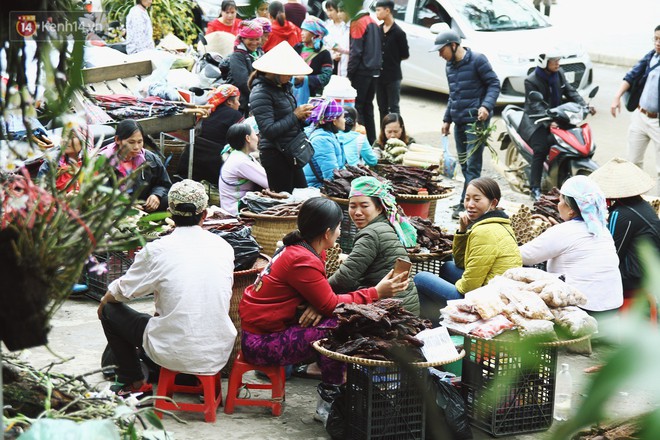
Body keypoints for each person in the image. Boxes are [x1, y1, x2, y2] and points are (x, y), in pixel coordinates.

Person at [238, 197, 409, 421]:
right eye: (339, 227)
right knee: (337, 329)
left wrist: (321, 305)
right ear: (327, 232)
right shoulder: (302, 259)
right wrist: (376, 292)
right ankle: (328, 402)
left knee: (335, 320)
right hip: (261, 343)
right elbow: (330, 305)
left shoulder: (300, 249)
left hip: (266, 331)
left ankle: (327, 379)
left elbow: (323, 300)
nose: (340, 232)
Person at [97, 179, 236, 397]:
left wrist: (105, 300)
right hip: (218, 350)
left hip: (173, 350)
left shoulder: (158, 250)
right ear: (204, 214)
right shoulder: (225, 247)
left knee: (109, 310)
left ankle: (132, 380)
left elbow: (122, 292)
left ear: (170, 214)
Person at [414, 177, 521, 321]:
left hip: (488, 301)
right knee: (447, 267)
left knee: (420, 278)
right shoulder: (500, 223)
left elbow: (469, 286)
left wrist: (457, 284)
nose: (470, 205)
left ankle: (439, 323)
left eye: (477, 200)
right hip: (492, 289)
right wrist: (462, 232)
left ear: (493, 203)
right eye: (467, 198)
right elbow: (460, 263)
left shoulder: (484, 231)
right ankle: (446, 312)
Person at [519, 176, 623, 316]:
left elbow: (526, 256)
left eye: (561, 200)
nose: (558, 204)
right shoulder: (602, 230)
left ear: (571, 210)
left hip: (584, 309)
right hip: (612, 305)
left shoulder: (565, 231)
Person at [432, 30, 500, 219]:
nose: (439, 54)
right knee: (464, 164)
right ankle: (469, 201)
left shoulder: (478, 60)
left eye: (441, 50)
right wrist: (447, 119)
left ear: (453, 45)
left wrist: (486, 106)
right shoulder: (450, 66)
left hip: (476, 123)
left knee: (472, 165)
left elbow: (494, 84)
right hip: (459, 121)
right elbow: (453, 95)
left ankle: (469, 206)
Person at [329, 176, 420, 314]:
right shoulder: (383, 225)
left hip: (394, 311)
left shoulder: (372, 234)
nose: (357, 212)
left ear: (378, 208)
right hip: (405, 306)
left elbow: (344, 278)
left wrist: (318, 293)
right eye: (352, 206)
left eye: (364, 206)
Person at [519, 51, 593, 202]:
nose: (558, 63)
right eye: (554, 61)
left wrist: (584, 105)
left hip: (557, 115)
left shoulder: (558, 73)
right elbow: (535, 105)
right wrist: (547, 121)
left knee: (574, 140)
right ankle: (535, 188)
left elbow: (570, 91)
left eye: (558, 60)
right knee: (540, 149)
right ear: (544, 62)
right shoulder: (531, 80)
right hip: (537, 120)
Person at [589, 157, 659, 298]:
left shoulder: (621, 213)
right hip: (651, 269)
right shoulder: (642, 205)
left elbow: (613, 253)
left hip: (634, 277)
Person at [249, 41, 314, 192]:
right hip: (276, 154)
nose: (291, 76)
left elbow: (289, 120)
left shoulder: (283, 88)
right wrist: (295, 115)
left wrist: (302, 118)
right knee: (284, 201)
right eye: (288, 73)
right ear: (275, 73)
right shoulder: (261, 93)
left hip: (289, 151)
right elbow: (268, 130)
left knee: (301, 195)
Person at [611, 25, 660, 196]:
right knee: (632, 162)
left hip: (658, 122)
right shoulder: (651, 57)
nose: (658, 43)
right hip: (640, 116)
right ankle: (635, 201)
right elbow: (632, 75)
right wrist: (617, 97)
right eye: (656, 38)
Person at [100, 119, 171, 212]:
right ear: (117, 140)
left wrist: (156, 195)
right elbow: (102, 194)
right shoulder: (103, 161)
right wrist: (125, 204)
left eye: (140, 142)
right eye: (131, 142)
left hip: (144, 205)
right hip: (116, 208)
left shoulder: (150, 158)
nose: (137, 147)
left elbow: (164, 183)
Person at [176, 84, 243, 182]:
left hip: (192, 156)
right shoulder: (235, 115)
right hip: (213, 162)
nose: (239, 104)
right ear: (229, 101)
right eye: (237, 100)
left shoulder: (206, 110)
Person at [218, 122, 269, 215]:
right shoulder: (241, 161)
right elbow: (269, 182)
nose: (257, 138)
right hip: (235, 212)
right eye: (255, 134)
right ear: (248, 138)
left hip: (238, 206)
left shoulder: (241, 156)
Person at [348, 9, 382, 145]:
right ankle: (372, 141)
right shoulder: (373, 21)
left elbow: (356, 52)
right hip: (375, 70)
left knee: (359, 107)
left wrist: (349, 74)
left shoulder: (358, 23)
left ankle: (361, 143)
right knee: (368, 106)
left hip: (362, 71)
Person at [375, 0, 409, 124]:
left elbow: (405, 55)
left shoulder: (399, 33)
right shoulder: (378, 30)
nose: (376, 13)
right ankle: (384, 133)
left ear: (387, 10)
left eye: (379, 10)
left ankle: (397, 132)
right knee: (381, 107)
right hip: (379, 76)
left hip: (393, 76)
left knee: (394, 107)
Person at [37, 120, 92, 192]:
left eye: (72, 136)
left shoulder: (92, 165)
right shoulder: (51, 163)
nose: (65, 140)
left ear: (84, 141)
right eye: (64, 136)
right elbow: (39, 192)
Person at [303, 97, 346, 187]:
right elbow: (331, 176)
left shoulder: (329, 135)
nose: (345, 120)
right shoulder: (322, 141)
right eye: (343, 117)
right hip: (318, 188)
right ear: (334, 121)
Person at [229, 20, 264, 115]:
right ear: (243, 39)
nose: (254, 42)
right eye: (251, 39)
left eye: (257, 39)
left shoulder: (259, 52)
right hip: (241, 103)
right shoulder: (237, 56)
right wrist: (260, 95)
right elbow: (243, 82)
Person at [293, 17, 333, 100]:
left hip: (312, 97)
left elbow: (325, 77)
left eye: (305, 30)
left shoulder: (324, 53)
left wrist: (304, 79)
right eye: (302, 30)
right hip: (293, 93)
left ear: (315, 34)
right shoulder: (297, 48)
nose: (302, 33)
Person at [323, 0, 349, 77]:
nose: (328, 13)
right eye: (327, 11)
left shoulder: (346, 26)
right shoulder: (327, 26)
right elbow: (325, 44)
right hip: (330, 61)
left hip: (345, 61)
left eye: (331, 10)